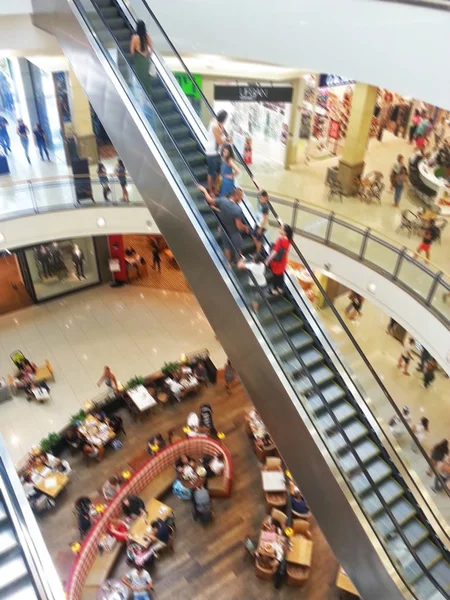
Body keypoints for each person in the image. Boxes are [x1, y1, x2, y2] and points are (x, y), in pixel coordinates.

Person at [197, 184, 249, 264]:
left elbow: (210, 200)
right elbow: (238, 226)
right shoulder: (237, 209)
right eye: (241, 197)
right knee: (238, 249)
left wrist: (204, 191)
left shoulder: (223, 201)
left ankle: (228, 264)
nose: (241, 199)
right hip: (234, 232)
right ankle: (239, 264)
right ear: (236, 196)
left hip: (223, 229)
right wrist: (245, 227)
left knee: (226, 247)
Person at [265, 224, 293, 296]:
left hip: (277, 262)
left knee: (276, 275)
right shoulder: (289, 240)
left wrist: (268, 260)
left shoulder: (280, 240)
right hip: (283, 260)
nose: (280, 229)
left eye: (281, 229)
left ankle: (274, 290)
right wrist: (280, 221)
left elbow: (275, 252)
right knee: (281, 274)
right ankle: (280, 289)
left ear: (285, 232)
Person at [205, 110, 228, 195]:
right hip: (212, 152)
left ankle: (215, 189)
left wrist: (221, 127)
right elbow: (220, 141)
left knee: (219, 172)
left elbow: (220, 133)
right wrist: (226, 139)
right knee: (211, 173)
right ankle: (210, 191)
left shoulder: (216, 123)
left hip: (217, 152)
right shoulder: (214, 125)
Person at [130, 20, 153, 96]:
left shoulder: (134, 38)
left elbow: (132, 51)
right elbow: (151, 48)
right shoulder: (147, 36)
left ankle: (140, 94)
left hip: (139, 59)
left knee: (140, 78)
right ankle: (149, 94)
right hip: (146, 59)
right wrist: (148, 55)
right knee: (146, 78)